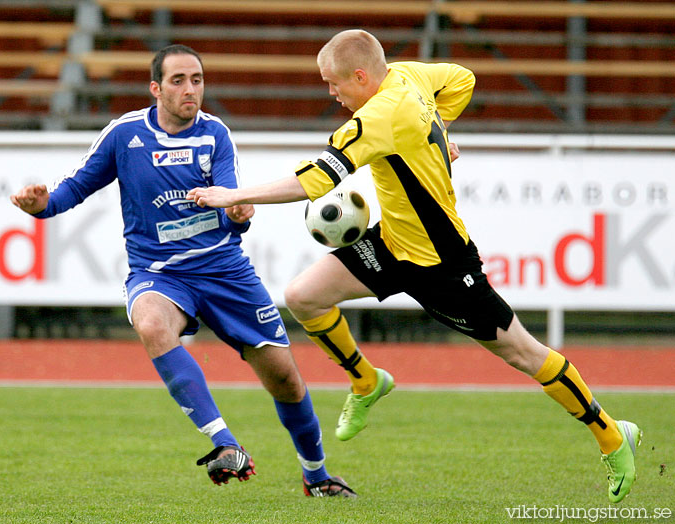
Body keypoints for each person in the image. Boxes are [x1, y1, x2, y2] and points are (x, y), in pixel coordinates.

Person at [187, 30, 642, 503]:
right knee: (305, 296)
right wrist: (441, 128)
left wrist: (235, 194)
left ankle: (612, 434)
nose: (331, 93)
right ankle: (367, 379)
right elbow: (462, 79)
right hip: (392, 244)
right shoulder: (409, 75)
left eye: (334, 83)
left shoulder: (379, 116)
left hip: (442, 263)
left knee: (523, 353)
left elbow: (317, 180)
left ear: (361, 77)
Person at [10, 44, 356, 498]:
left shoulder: (216, 134)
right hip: (161, 274)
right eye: (178, 80)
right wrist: (41, 206)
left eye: (196, 79)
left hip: (225, 271)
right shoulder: (125, 135)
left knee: (286, 380)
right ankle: (225, 443)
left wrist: (240, 211)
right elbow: (73, 189)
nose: (190, 89)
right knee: (152, 323)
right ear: (156, 89)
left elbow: (232, 201)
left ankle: (317, 476)